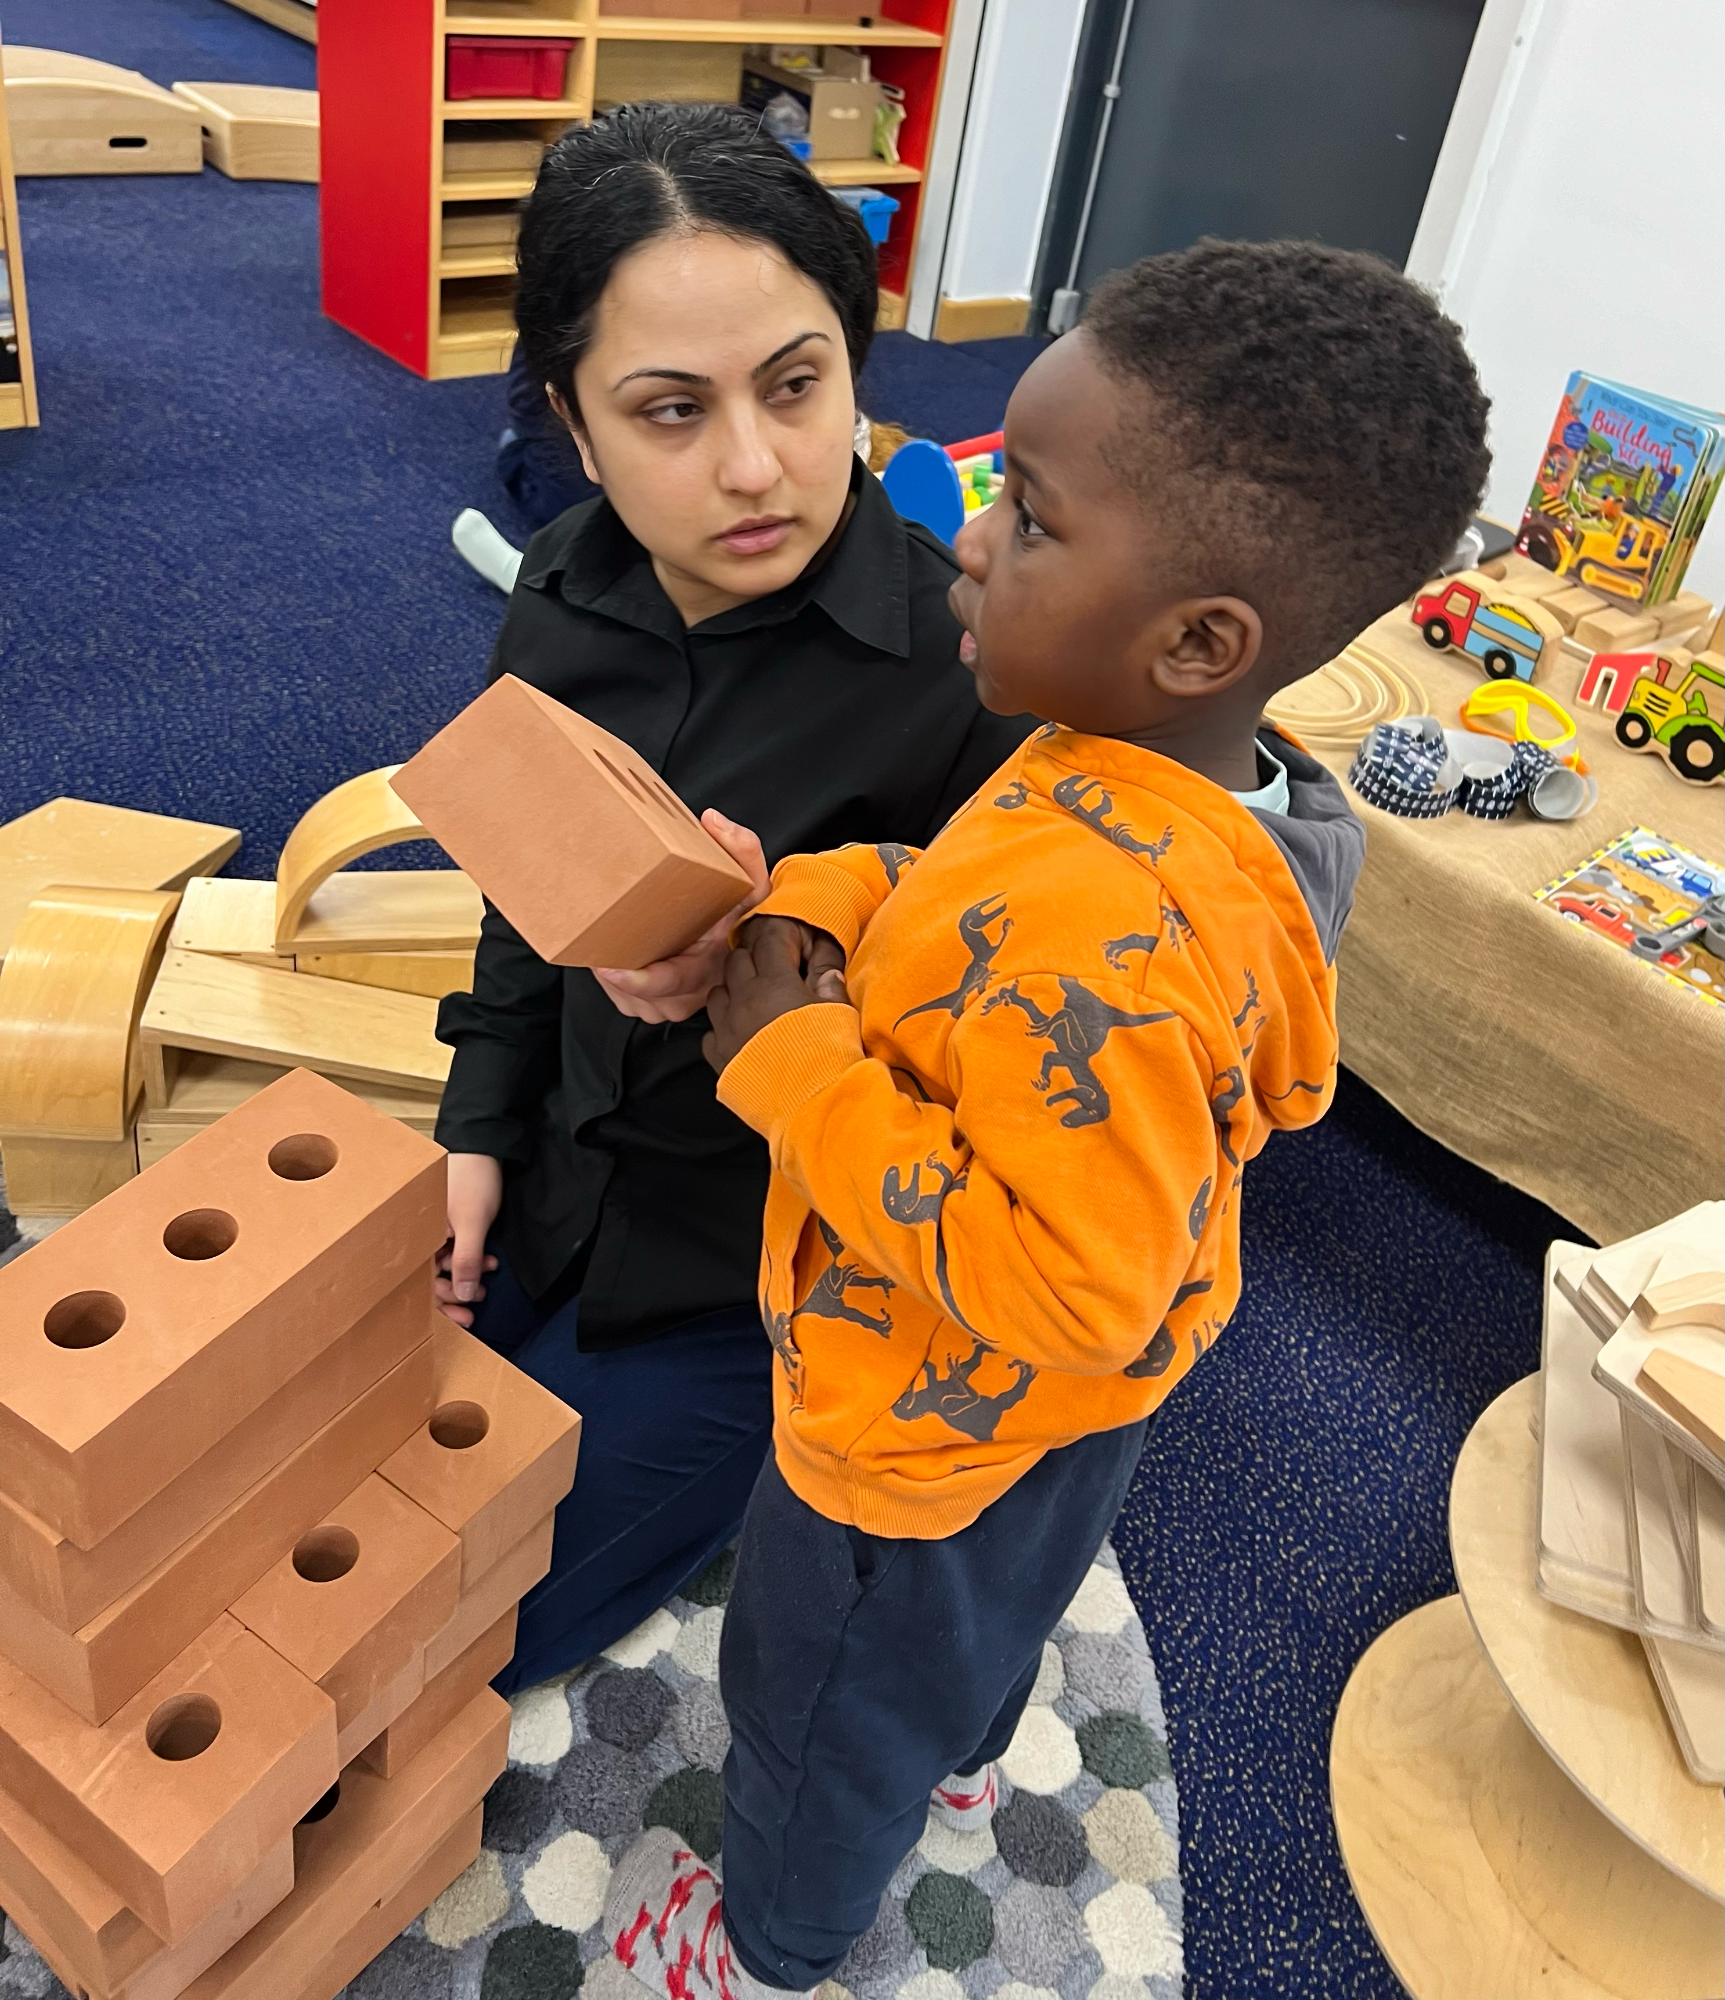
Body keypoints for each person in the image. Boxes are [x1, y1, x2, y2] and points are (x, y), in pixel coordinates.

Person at [599, 239, 1491, 1996]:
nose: (970, 539)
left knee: (817, 1698)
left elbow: (1069, 1281)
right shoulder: (1182, 783)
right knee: (1000, 1594)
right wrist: (829, 899)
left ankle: (773, 1938)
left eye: (1033, 516)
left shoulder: (1117, 921)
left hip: (920, 1411)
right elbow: (971, 902)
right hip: (1071, 1412)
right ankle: (960, 1740)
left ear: (1200, 638)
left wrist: (798, 1066)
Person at [430, 103, 1034, 1693]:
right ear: (574, 426)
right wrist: (475, 1131)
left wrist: (786, 981)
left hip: (760, 1273)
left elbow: (1015, 1091)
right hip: (556, 1170)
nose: (756, 468)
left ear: (855, 366)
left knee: (458, 1630)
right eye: (670, 411)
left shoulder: (970, 681)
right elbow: (520, 896)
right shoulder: (561, 595)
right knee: (285, 1481)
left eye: (797, 384)